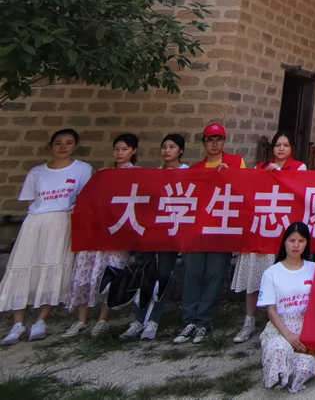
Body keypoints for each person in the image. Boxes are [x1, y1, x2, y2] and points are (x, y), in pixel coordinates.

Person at [1, 129, 93, 346]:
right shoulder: (36, 172)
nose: (63, 147)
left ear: (76, 146)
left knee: (53, 268)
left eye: (69, 142)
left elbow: (84, 199)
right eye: (58, 143)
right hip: (35, 223)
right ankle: (18, 324)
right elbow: (29, 202)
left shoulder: (82, 169)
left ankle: (41, 320)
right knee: (22, 266)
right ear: (50, 146)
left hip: (62, 222)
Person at [233, 131, 306, 345]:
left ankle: (277, 322)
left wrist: (280, 175)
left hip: (283, 229)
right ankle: (249, 320)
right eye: (277, 145)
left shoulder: (299, 167)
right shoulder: (260, 168)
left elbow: (300, 190)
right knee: (253, 277)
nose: (281, 149)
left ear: (292, 148)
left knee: (281, 279)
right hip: (260, 229)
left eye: (285, 145)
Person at [64, 133, 138, 339]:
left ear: (133, 151)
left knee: (109, 273)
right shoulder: (103, 174)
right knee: (85, 272)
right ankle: (82, 320)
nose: (119, 153)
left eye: (124, 149)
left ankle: (103, 320)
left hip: (118, 232)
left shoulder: (137, 174)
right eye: (116, 149)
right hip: (96, 231)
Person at [176, 123, 243, 345]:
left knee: (215, 275)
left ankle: (204, 321)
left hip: (222, 230)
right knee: (192, 274)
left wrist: (229, 176)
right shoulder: (195, 170)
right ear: (203, 143)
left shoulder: (236, 162)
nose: (215, 144)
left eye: (219, 139)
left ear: (224, 141)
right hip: (197, 231)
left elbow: (245, 190)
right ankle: (189, 320)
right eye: (210, 140)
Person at [120, 133, 189, 342]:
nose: (167, 151)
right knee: (143, 271)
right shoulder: (153, 174)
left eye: (172, 147)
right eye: (164, 146)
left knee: (164, 273)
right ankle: (138, 318)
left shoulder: (189, 173)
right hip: (151, 230)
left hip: (172, 231)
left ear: (181, 150)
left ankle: (154, 319)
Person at [258, 222, 315, 393]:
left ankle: (292, 369)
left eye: (301, 241)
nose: (296, 245)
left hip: (305, 327)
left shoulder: (314, 268)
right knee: (280, 349)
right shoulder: (271, 273)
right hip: (281, 326)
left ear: (307, 244)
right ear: (284, 242)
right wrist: (288, 335)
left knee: (304, 369)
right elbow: (271, 311)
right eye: (292, 240)